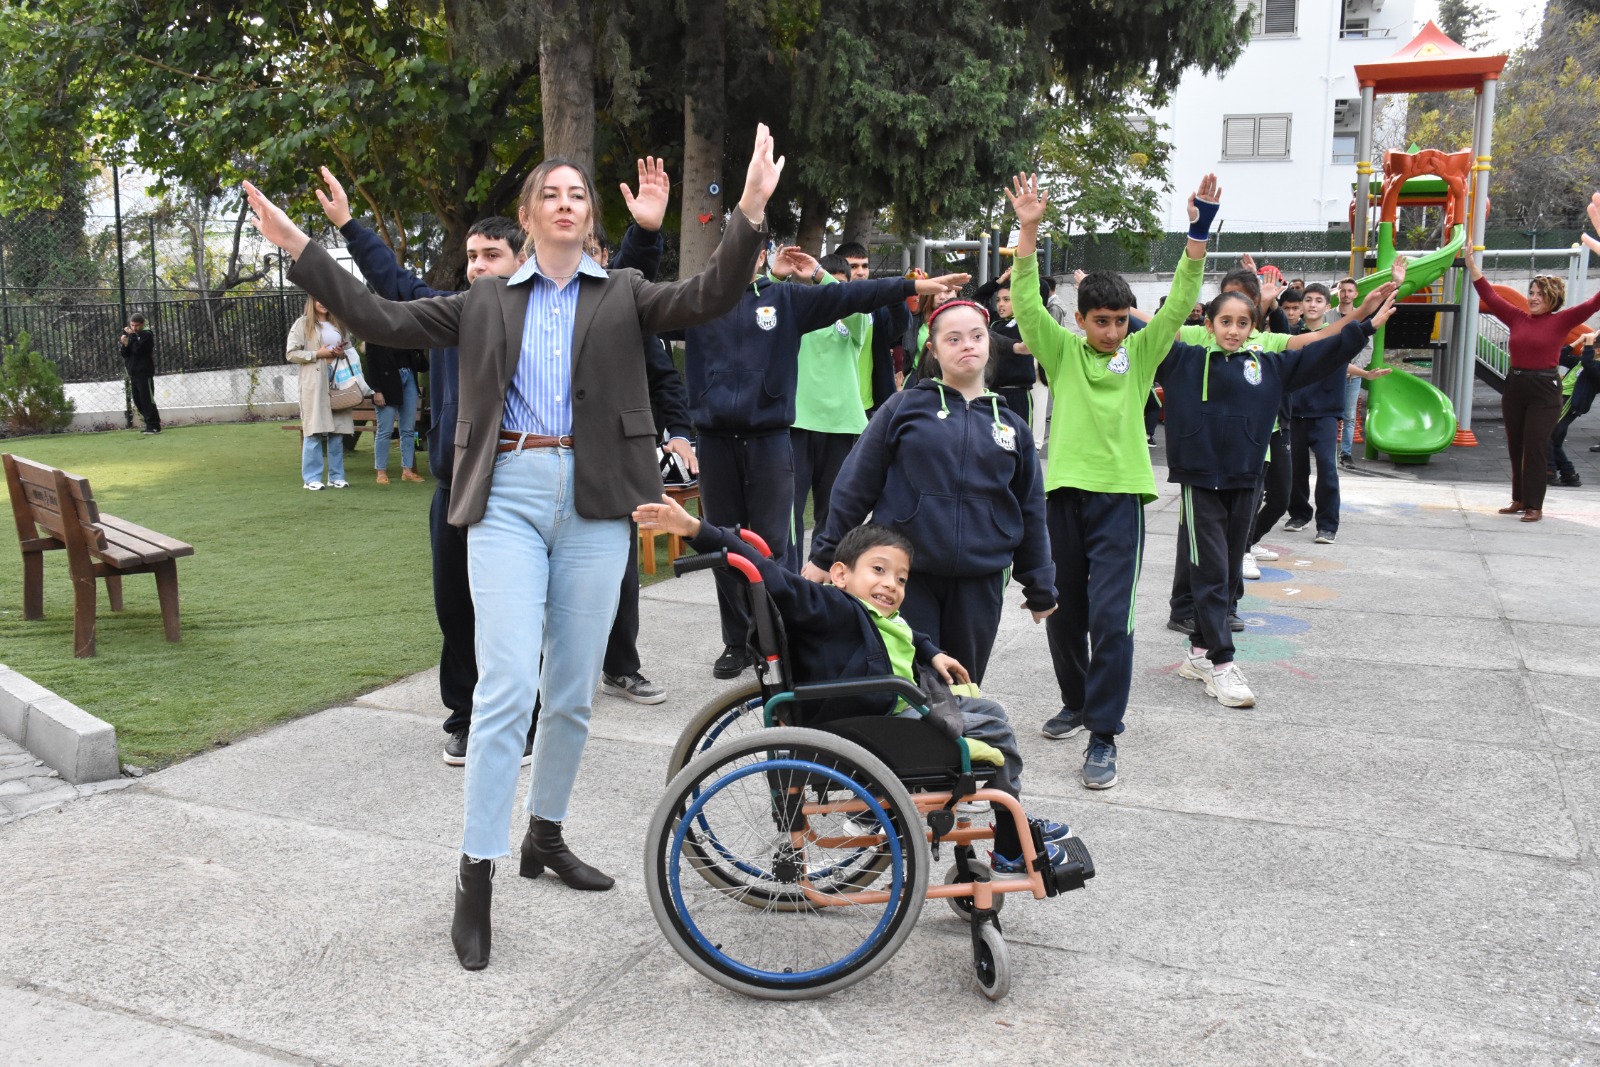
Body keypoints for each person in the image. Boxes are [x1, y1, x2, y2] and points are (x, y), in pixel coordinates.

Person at [245, 124, 787, 972]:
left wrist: (749, 208)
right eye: (552, 194)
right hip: (504, 497)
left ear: (588, 217)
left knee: (570, 693)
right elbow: (381, 314)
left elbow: (711, 294)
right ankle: (477, 870)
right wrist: (304, 248)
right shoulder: (485, 299)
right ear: (530, 216)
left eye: (579, 195)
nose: (566, 204)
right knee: (506, 687)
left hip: (599, 503)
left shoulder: (627, 292)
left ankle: (546, 834)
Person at [317, 165, 684, 762]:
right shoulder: (454, 308)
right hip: (461, 492)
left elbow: (624, 305)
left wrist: (646, 234)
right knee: (458, 611)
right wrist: (348, 227)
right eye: (471, 257)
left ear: (520, 257)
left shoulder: (547, 310)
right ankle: (467, 714)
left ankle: (567, 698)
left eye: (491, 255)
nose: (479, 267)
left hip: (551, 484)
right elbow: (386, 287)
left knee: (557, 612)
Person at [635, 500, 1075, 875]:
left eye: (901, 578)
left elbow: (901, 631)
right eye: (879, 570)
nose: (891, 584)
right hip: (876, 720)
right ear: (841, 575)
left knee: (993, 713)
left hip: (893, 706)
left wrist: (932, 653)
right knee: (996, 734)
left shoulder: (869, 611)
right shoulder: (831, 606)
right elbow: (770, 576)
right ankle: (1014, 842)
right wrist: (696, 529)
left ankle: (1014, 822)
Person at [1006, 170, 1219, 791]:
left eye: (1120, 321)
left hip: (1120, 500)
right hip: (1063, 496)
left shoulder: (1141, 353)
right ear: (1080, 319)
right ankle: (1076, 701)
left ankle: (1104, 735)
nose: (1112, 331)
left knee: (1112, 619)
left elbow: (1181, 299)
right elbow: (1023, 302)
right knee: (1063, 613)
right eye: (1101, 321)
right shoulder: (1062, 351)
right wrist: (1027, 228)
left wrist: (1199, 231)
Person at [678, 244, 966, 679]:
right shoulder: (697, 300)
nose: (735, 256)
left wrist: (911, 286)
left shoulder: (785, 300)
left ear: (758, 257)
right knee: (722, 543)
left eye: (746, 249)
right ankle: (736, 640)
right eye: (726, 247)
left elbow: (852, 297)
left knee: (774, 544)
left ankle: (776, 632)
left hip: (771, 438)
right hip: (716, 441)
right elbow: (640, 304)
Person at [1158, 289, 1398, 707]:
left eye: (1242, 323)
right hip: (1200, 483)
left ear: (1254, 327)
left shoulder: (1267, 365)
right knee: (1211, 570)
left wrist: (1364, 327)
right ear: (1209, 325)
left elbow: (1321, 353)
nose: (1233, 330)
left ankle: (1198, 654)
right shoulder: (1184, 360)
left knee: (1230, 570)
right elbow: (1146, 331)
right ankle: (1221, 663)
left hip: (1247, 478)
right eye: (1225, 321)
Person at [806, 298, 1055, 685]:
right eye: (953, 339)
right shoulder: (903, 408)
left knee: (962, 685)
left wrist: (1040, 582)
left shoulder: (1012, 426)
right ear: (933, 349)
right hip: (905, 576)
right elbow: (854, 486)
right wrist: (824, 555)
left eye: (976, 336)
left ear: (989, 343)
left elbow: (1030, 509)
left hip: (980, 580)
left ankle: (955, 746)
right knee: (906, 684)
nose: (967, 345)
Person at [1471, 193, 1600, 523]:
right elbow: (1488, 294)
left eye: (1539, 295)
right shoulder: (1517, 317)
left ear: (1552, 298)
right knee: (1515, 444)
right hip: (1515, 385)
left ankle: (1535, 505)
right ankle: (1518, 498)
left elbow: (1595, 302)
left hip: (1545, 390)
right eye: (1531, 294)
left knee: (1536, 446)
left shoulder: (1562, 320)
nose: (1532, 298)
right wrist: (1471, 264)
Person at [286, 296, 357, 490]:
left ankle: (336, 476)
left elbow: (350, 350)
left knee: (338, 429)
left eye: (325, 297)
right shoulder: (303, 323)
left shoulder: (339, 323)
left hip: (339, 380)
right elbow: (291, 353)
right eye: (318, 299)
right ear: (312, 301)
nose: (322, 302)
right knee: (314, 428)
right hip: (314, 382)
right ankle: (311, 478)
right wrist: (318, 354)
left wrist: (340, 353)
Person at [833, 240, 905, 415]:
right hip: (829, 403)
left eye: (865, 266)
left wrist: (896, 297)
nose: (861, 272)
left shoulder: (877, 307)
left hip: (867, 405)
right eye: (854, 266)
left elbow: (898, 330)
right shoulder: (821, 305)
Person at [363, 342, 424, 484]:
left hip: (409, 378)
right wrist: (376, 390)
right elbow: (371, 364)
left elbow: (423, 366)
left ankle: (408, 470)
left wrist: (418, 350)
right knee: (385, 430)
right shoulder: (375, 334)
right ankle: (381, 472)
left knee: (408, 429)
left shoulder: (405, 333)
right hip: (387, 383)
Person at [1550, 333, 1598, 488]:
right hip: (1561, 398)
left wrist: (1590, 341)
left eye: (1586, 347)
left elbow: (1588, 363)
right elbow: (1559, 357)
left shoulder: (1596, 366)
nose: (1582, 349)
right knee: (1554, 439)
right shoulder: (1579, 362)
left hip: (1571, 402)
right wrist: (1578, 340)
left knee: (1548, 434)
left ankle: (1549, 472)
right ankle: (1569, 475)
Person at [119, 314, 161, 434]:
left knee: (147, 399)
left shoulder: (146, 335)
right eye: (132, 325)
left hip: (144, 372)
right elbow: (126, 354)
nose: (134, 328)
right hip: (134, 373)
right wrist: (125, 344)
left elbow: (138, 350)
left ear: (142, 324)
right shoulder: (133, 336)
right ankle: (148, 423)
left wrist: (131, 336)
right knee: (138, 400)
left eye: (137, 325)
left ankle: (154, 425)